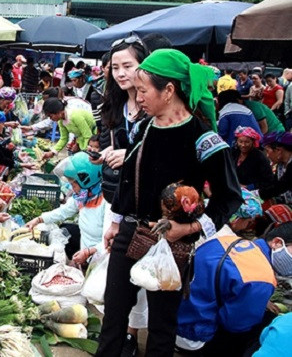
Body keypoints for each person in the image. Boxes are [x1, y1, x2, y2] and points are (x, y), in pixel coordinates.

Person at [97, 49, 243, 357]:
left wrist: (188, 228)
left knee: (162, 326)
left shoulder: (204, 140)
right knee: (113, 316)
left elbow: (230, 198)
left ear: (168, 90)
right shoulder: (143, 128)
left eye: (143, 90)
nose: (138, 98)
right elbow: (130, 178)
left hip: (172, 243)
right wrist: (115, 221)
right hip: (131, 233)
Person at [175, 224, 291, 355]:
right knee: (266, 324)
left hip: (170, 315)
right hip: (191, 333)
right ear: (276, 242)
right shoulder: (262, 278)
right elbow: (236, 325)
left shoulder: (227, 240)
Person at [27, 152, 107, 263]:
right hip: (86, 253)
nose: (72, 188)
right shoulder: (83, 196)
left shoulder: (106, 202)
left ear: (86, 180)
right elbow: (64, 211)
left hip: (101, 258)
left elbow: (110, 242)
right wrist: (39, 219)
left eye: (73, 184)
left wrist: (89, 252)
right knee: (66, 227)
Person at [98, 38, 148, 203]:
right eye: (115, 68)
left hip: (146, 196)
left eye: (128, 66)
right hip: (118, 195)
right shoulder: (116, 105)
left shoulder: (155, 107)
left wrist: (129, 156)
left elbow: (167, 154)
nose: (120, 74)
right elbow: (120, 142)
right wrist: (107, 152)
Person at [232, 126, 274, 191]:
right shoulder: (234, 154)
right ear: (237, 141)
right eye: (240, 142)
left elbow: (268, 180)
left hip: (254, 191)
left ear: (253, 142)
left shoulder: (259, 157)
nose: (243, 145)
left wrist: (248, 187)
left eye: (247, 142)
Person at [258, 132, 292, 204]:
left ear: (278, 151)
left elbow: (281, 186)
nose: (267, 155)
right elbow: (274, 183)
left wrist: (258, 194)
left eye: (267, 151)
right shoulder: (281, 165)